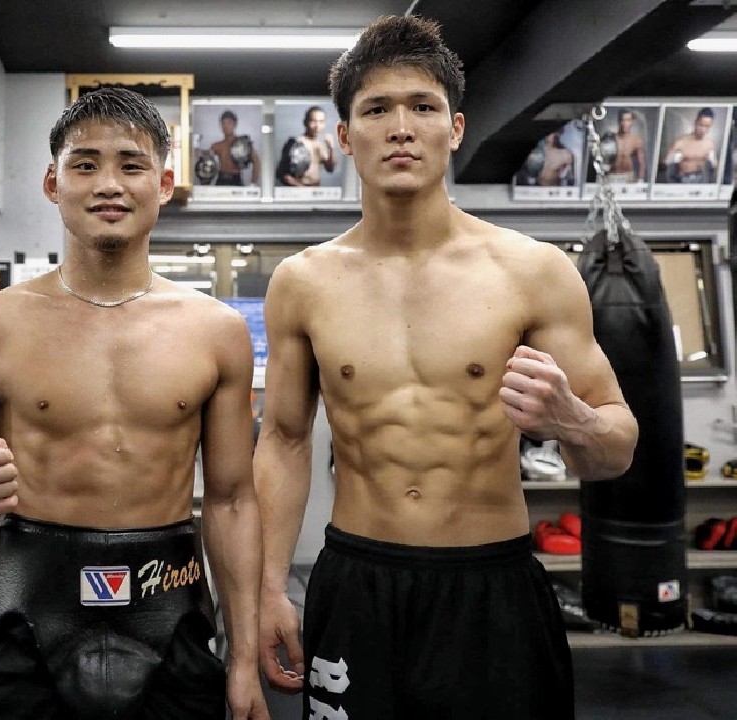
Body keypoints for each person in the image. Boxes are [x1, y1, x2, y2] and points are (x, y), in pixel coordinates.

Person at [254, 15, 638, 720]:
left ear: (455, 129)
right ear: (345, 137)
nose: (401, 128)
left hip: (491, 587)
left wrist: (574, 421)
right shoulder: (303, 283)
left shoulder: (533, 272)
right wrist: (268, 588)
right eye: (377, 109)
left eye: (423, 107)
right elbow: (281, 440)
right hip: (358, 582)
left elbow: (617, 447)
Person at [0, 86, 269, 720]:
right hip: (30, 609)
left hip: (168, 603)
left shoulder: (216, 331)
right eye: (85, 165)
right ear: (53, 184)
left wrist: (243, 660)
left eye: (131, 165)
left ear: (163, 184)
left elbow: (232, 500)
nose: (109, 184)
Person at [277, 105, 337, 187]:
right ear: (305, 122)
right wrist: (303, 188)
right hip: (299, 190)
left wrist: (331, 148)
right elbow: (282, 174)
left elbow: (330, 169)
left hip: (316, 190)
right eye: (313, 121)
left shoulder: (320, 145)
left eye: (321, 122)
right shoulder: (295, 142)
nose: (317, 126)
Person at [663, 107, 717, 183]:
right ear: (695, 123)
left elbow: (714, 166)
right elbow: (666, 162)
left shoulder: (709, 144)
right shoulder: (680, 142)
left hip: (700, 179)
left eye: (707, 127)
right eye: (701, 125)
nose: (703, 130)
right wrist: (675, 158)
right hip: (683, 179)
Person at [209, 109, 261, 186]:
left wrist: (253, 184)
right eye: (223, 123)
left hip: (236, 182)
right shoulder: (217, 145)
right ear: (221, 125)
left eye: (229, 123)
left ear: (235, 124)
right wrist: (196, 145)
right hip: (221, 181)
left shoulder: (243, 143)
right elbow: (204, 159)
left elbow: (257, 162)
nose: (226, 126)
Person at [610, 108, 647, 183]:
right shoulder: (612, 138)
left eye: (628, 120)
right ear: (619, 121)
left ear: (632, 121)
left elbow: (641, 163)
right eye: (622, 120)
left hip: (628, 177)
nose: (625, 123)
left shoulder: (636, 140)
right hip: (612, 176)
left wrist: (640, 180)